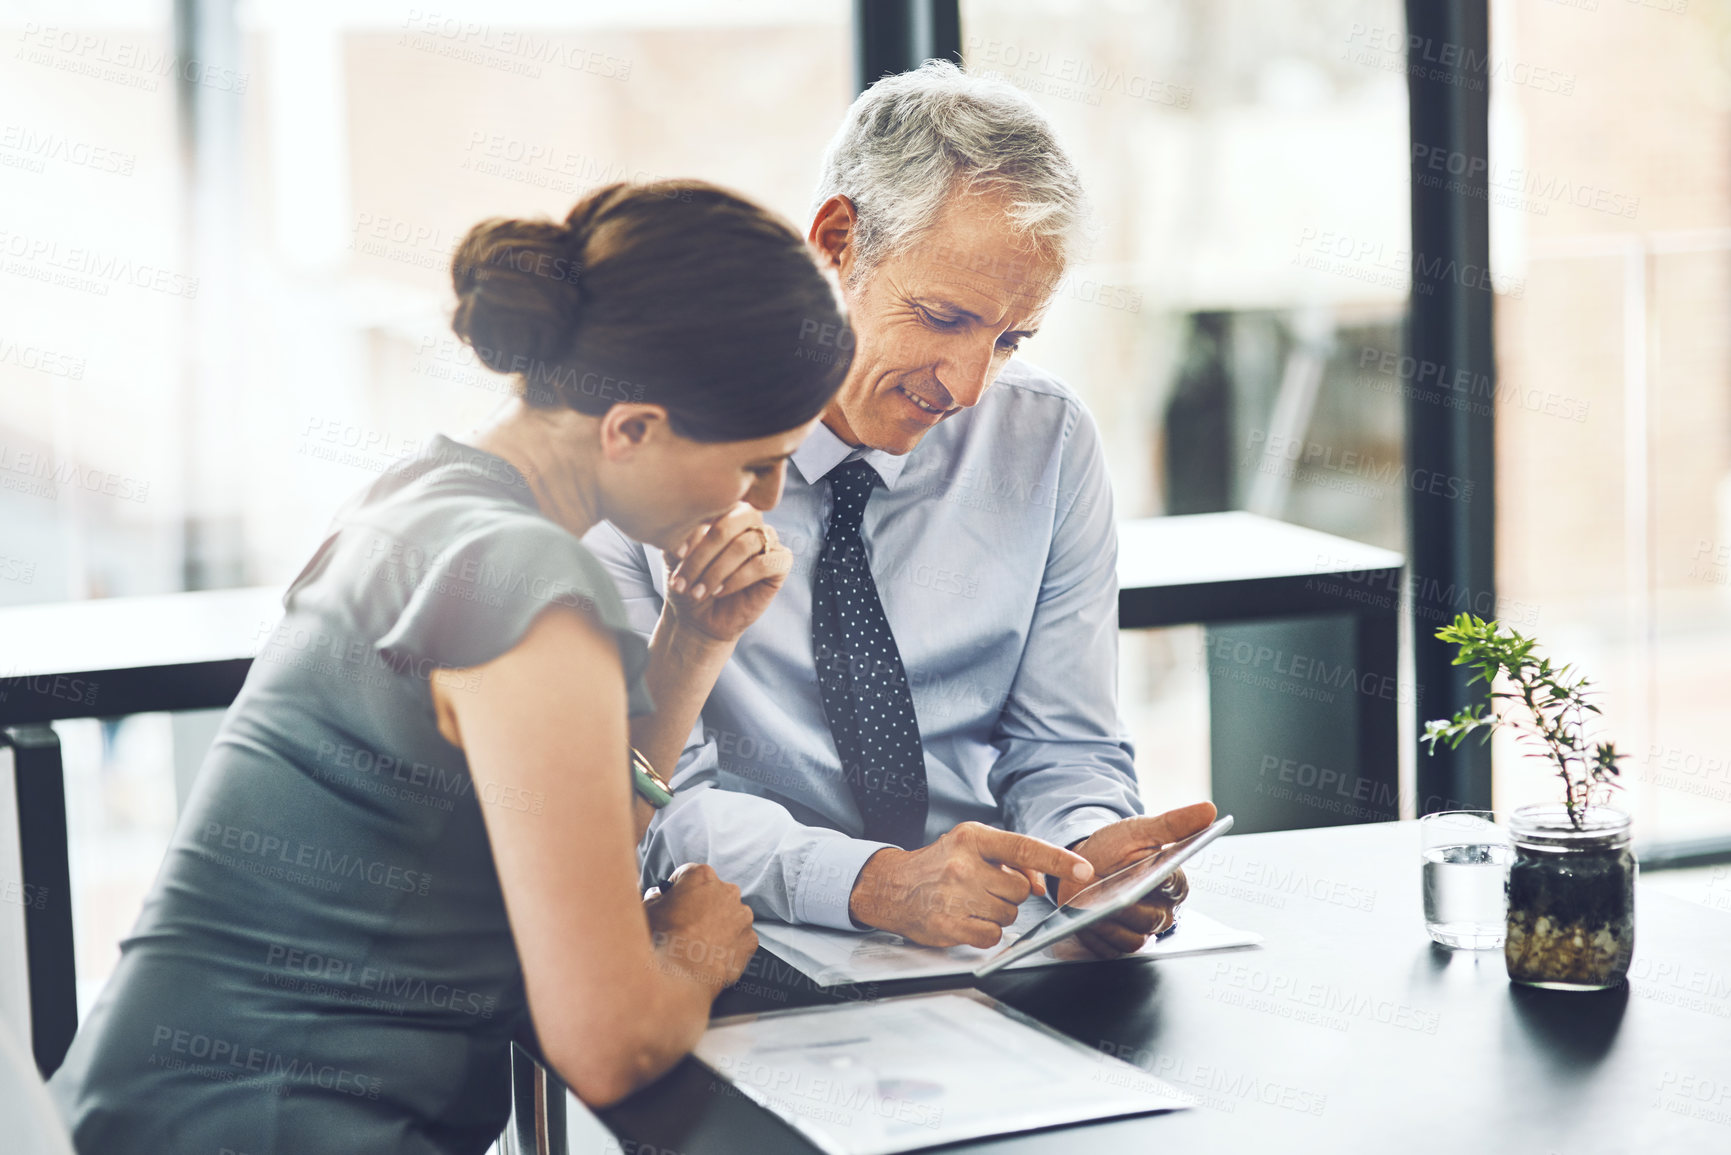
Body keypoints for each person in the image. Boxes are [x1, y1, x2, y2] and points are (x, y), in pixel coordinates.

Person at [48, 180, 852, 1154]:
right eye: (754, 462)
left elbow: (580, 830)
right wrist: (693, 950)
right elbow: (613, 1043)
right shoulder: (527, 575)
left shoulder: (422, 495)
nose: (761, 499)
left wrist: (690, 640)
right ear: (631, 427)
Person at [587, 61, 1215, 959]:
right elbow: (646, 800)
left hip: (993, 941)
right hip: (751, 944)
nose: (967, 386)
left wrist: (1085, 855)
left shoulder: (1046, 441)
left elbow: (1065, 742)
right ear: (836, 241)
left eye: (1009, 339)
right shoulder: (655, 456)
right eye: (943, 316)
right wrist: (879, 881)